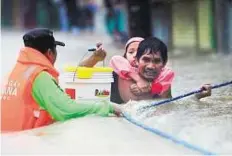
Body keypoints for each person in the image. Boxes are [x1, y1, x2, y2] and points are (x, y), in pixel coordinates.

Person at [0, 28, 122, 132]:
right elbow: (66, 110)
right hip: (27, 144)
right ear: (49, 53)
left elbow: (65, 80)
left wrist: (94, 59)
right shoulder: (40, 76)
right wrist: (107, 107)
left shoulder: (16, 72)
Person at [79, 37, 212, 104]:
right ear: (136, 60)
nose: (150, 66)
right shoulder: (116, 74)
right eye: (145, 59)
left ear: (163, 63)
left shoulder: (162, 81)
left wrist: (197, 96)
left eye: (156, 61)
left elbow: (171, 105)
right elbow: (79, 74)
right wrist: (94, 58)